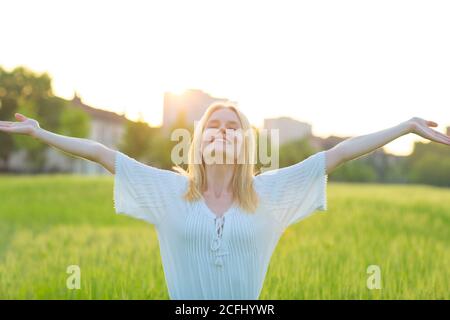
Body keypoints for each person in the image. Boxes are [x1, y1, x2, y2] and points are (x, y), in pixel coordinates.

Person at [1, 101, 449, 299]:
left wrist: (406, 126)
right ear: (197, 142)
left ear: (245, 144)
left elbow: (339, 153)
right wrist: (40, 133)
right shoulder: (168, 192)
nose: (222, 130)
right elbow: (102, 153)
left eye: (233, 126)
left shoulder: (271, 194)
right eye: (213, 124)